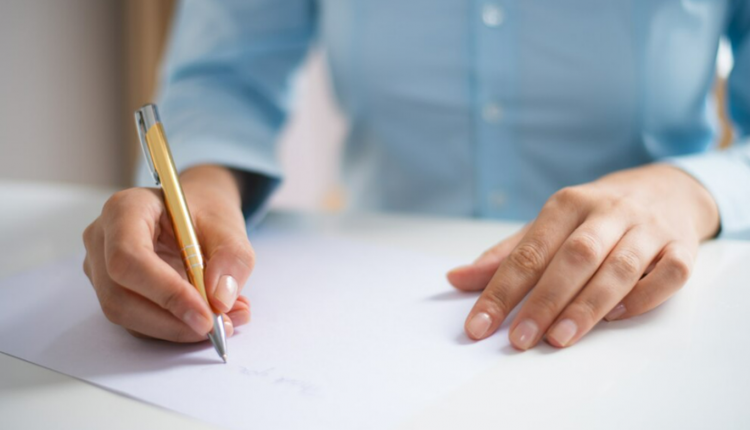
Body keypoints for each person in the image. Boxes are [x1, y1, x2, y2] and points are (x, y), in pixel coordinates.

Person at [83, 0, 750, 350]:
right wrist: (200, 186)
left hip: (666, 316)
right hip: (380, 294)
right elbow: (226, 72)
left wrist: (690, 193)